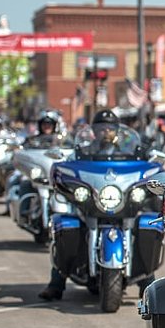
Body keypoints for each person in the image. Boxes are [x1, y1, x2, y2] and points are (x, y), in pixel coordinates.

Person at [38, 110, 126, 300]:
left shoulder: (129, 153)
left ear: (117, 130)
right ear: (94, 131)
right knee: (68, 229)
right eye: (102, 128)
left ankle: (147, 282)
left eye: (110, 128)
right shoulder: (82, 151)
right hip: (89, 202)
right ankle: (56, 284)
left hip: (118, 202)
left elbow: (143, 165)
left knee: (142, 224)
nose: (106, 131)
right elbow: (68, 165)